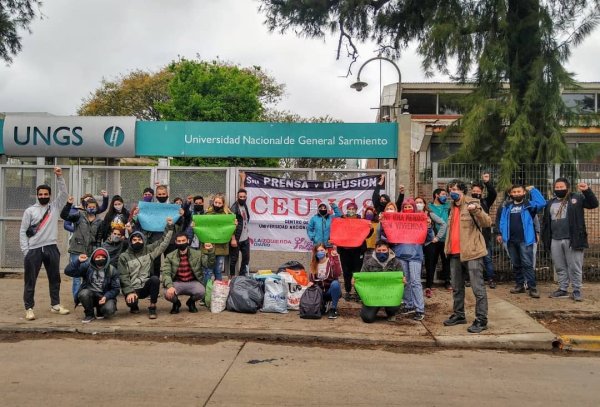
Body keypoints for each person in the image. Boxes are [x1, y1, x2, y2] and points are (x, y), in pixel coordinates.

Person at [20, 167, 70, 321]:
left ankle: (55, 305)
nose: (43, 196)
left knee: (55, 278)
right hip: (33, 250)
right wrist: (26, 251)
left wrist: (59, 177)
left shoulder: (53, 207)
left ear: (50, 195)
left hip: (51, 248)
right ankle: (29, 308)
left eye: (46, 194)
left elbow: (64, 194)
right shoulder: (30, 211)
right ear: (37, 195)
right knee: (30, 280)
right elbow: (22, 231)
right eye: (40, 194)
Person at [443, 179, 491, 333]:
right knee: (457, 287)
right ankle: (459, 315)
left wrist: (476, 210)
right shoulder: (451, 208)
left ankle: (481, 320)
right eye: (451, 189)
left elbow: (487, 222)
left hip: (472, 253)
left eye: (456, 189)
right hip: (455, 253)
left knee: (478, 288)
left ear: (463, 191)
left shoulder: (473, 203)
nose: (453, 191)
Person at [542, 178, 598, 301]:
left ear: (567, 187)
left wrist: (587, 191)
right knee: (560, 266)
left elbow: (594, 204)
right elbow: (546, 222)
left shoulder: (576, 198)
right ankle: (562, 289)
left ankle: (577, 290)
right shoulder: (550, 203)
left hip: (573, 239)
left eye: (562, 187)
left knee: (575, 266)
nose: (559, 189)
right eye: (557, 187)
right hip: (555, 240)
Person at [118, 217, 174, 319]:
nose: (137, 241)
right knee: (131, 302)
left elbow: (163, 242)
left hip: (145, 286)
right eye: (134, 240)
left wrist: (169, 227)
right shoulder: (124, 257)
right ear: (130, 241)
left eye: (139, 239)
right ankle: (134, 306)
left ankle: (152, 307)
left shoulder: (149, 250)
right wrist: (129, 292)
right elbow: (123, 277)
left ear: (143, 241)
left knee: (155, 279)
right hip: (132, 288)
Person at [496, 184, 546, 298]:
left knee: (527, 264)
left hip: (525, 240)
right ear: (510, 194)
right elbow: (502, 221)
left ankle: (532, 287)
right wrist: (503, 234)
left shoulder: (529, 205)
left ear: (524, 193)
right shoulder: (507, 206)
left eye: (519, 191)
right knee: (516, 264)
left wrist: (533, 190)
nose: (516, 194)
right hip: (511, 241)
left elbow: (542, 203)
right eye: (514, 192)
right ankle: (519, 285)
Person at [393, 198, 433, 321]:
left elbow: (428, 238)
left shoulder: (421, 220)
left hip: (415, 255)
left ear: (414, 208)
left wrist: (429, 227)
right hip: (401, 254)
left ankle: (419, 309)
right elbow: (388, 235)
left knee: (415, 281)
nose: (407, 209)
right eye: (405, 207)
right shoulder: (397, 221)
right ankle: (408, 304)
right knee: (406, 281)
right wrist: (384, 224)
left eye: (410, 207)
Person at [60, 196, 103, 302]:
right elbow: (64, 216)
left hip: (91, 251)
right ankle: (76, 298)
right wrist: (68, 204)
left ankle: (86, 297)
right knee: (76, 275)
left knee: (89, 275)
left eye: (93, 207)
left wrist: (96, 251)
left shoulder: (99, 221)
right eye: (89, 206)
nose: (91, 208)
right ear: (85, 207)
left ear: (96, 208)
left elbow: (99, 238)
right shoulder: (79, 215)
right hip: (77, 249)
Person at [162, 232, 215, 313]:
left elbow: (209, 265)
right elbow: (166, 273)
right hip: (177, 283)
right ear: (176, 242)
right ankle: (176, 303)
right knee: (167, 293)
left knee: (201, 291)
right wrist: (169, 286)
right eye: (179, 241)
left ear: (188, 241)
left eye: (183, 240)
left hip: (192, 282)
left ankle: (191, 302)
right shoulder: (170, 256)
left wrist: (210, 251)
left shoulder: (197, 253)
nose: (181, 243)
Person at [65, 248, 120, 323]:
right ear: (94, 258)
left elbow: (116, 289)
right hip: (90, 294)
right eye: (98, 257)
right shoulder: (87, 267)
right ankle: (89, 314)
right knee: (83, 293)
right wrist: (78, 261)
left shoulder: (112, 270)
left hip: (104, 296)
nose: (100, 259)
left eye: (103, 257)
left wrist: (106, 296)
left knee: (109, 310)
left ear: (106, 258)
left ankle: (100, 310)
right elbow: (68, 272)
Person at [358, 240, 404, 323]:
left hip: (390, 295)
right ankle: (371, 310)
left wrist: (403, 282)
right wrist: (356, 282)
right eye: (378, 251)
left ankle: (391, 313)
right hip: (373, 296)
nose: (381, 252)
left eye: (384, 250)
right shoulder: (368, 263)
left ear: (388, 250)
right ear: (375, 250)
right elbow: (362, 281)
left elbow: (401, 285)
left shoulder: (396, 263)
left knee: (394, 305)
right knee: (367, 318)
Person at [470, 173, 498, 288]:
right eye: (474, 190)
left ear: (481, 192)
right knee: (471, 258)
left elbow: (493, 194)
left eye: (478, 191)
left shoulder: (486, 202)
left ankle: (491, 278)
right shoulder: (467, 202)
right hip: (471, 235)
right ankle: (470, 279)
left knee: (487, 258)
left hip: (484, 235)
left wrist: (487, 182)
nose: (476, 192)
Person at [418, 196, 447, 298]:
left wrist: (437, 237)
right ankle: (417, 286)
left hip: (429, 243)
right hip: (416, 244)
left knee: (430, 265)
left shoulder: (429, 214)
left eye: (420, 202)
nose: (418, 204)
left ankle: (428, 287)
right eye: (416, 202)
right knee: (417, 264)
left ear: (424, 204)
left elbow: (443, 224)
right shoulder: (410, 215)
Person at [337, 202, 366, 301]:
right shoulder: (341, 220)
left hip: (357, 251)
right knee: (346, 272)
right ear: (347, 209)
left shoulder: (361, 220)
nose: (351, 210)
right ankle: (348, 291)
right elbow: (336, 232)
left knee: (357, 272)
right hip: (345, 251)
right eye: (349, 208)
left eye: (353, 209)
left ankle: (358, 292)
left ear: (356, 210)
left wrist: (369, 229)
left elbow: (367, 234)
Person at [205, 194, 235, 281]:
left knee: (218, 270)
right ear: (213, 202)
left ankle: (218, 292)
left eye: (219, 203)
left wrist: (234, 225)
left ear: (223, 204)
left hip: (221, 246)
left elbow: (232, 230)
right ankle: (207, 292)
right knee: (208, 271)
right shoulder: (207, 213)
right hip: (209, 246)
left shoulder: (228, 215)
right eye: (216, 202)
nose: (217, 204)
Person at [309, 243, 342, 319]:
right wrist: (310, 283)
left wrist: (336, 258)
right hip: (319, 292)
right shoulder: (314, 264)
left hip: (330, 291)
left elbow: (338, 273)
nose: (320, 252)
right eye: (317, 251)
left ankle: (333, 309)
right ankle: (322, 304)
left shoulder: (331, 261)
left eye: (322, 250)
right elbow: (311, 279)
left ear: (326, 251)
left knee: (335, 283)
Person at [427, 188, 452, 290]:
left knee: (446, 261)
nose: (445, 196)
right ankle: (429, 283)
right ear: (436, 195)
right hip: (433, 239)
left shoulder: (448, 206)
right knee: (432, 262)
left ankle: (447, 281)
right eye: (443, 194)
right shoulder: (429, 207)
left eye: (446, 195)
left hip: (446, 238)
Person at [230, 188, 251, 277]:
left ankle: (242, 276)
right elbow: (231, 224)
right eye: (240, 197)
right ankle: (232, 277)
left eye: (244, 197)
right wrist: (233, 239)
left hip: (245, 238)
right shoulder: (234, 208)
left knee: (246, 258)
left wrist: (242, 180)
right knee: (234, 259)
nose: (242, 198)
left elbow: (242, 189)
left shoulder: (244, 205)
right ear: (237, 197)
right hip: (237, 238)